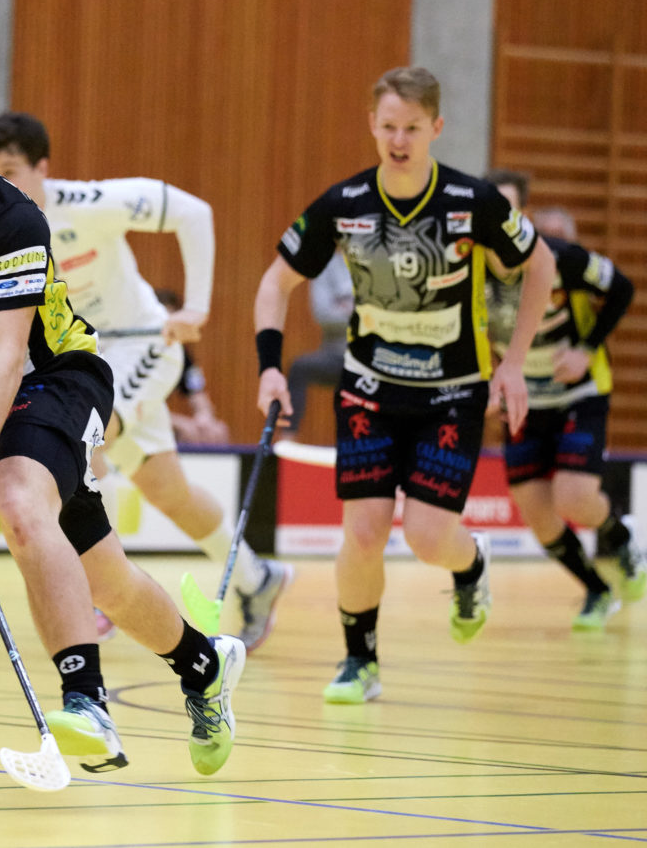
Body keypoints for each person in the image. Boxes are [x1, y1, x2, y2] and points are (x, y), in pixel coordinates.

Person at [0, 62, 245, 775]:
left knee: (22, 503)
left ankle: (85, 700)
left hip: (56, 378)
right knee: (109, 581)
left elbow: (5, 356)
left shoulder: (12, 217)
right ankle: (205, 666)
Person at [253, 67, 556, 704]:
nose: (398, 139)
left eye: (412, 128)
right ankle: (359, 660)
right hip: (368, 390)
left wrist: (514, 362)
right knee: (362, 532)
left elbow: (541, 264)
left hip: (453, 391)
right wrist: (271, 367)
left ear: (436, 129)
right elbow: (275, 283)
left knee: (424, 537)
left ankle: (470, 563)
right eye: (388, 126)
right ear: (372, 125)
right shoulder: (344, 204)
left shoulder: (473, 203)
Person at [0, 111, 291, 652]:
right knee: (168, 491)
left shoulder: (88, 204)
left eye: (12, 171)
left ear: (43, 169)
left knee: (81, 440)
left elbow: (195, 213)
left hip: (141, 346)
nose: (3, 186)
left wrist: (195, 307)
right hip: (80, 359)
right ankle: (257, 578)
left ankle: (97, 591)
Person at [482, 169, 644, 629]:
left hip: (578, 392)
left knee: (573, 497)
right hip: (523, 400)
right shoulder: (471, 265)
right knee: (536, 511)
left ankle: (621, 538)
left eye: (507, 208)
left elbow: (623, 289)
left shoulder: (557, 256)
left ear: (522, 214)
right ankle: (595, 590)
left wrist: (586, 349)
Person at [283, 253, 353, 440]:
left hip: (372, 357)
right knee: (299, 368)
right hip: (335, 355)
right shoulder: (327, 266)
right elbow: (323, 314)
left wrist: (345, 307)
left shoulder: (380, 263)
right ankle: (287, 442)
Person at [155, 288, 230, 447]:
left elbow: (197, 392)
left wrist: (205, 418)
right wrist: (178, 422)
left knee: (218, 431)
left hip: (158, 419)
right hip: (132, 419)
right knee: (183, 430)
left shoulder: (180, 354)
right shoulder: (135, 353)